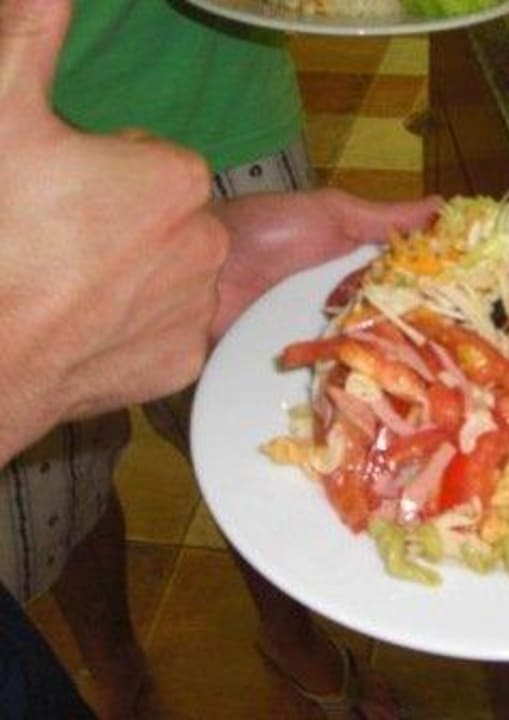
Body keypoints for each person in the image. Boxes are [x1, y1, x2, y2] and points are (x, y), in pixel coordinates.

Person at [0, 0, 442, 717]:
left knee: (266, 437)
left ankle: (291, 636)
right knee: (63, 481)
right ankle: (113, 662)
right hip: (22, 157)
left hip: (213, 99)